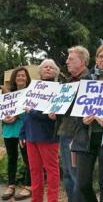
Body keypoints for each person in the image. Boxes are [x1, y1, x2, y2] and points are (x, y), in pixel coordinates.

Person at [70, 44, 103, 202]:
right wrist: (82, 120)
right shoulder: (86, 80)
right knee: (82, 183)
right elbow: (77, 108)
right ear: (96, 58)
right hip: (86, 138)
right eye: (101, 56)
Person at [51, 46, 90, 202]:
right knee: (66, 175)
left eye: (71, 59)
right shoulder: (67, 82)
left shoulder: (89, 80)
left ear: (81, 62)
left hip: (77, 135)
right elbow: (63, 107)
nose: (66, 61)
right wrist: (54, 110)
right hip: (64, 133)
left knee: (76, 177)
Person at [19, 59, 60, 202]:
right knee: (34, 171)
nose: (48, 69)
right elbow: (26, 113)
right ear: (40, 71)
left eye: (51, 67)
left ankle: (52, 199)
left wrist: (33, 112)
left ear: (55, 72)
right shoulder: (32, 88)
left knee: (51, 171)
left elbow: (52, 116)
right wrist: (22, 133)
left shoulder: (58, 90)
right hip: (30, 135)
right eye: (45, 67)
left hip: (48, 136)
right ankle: (36, 199)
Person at [1, 67, 32, 201]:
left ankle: (28, 186)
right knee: (12, 158)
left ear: (27, 78)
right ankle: (11, 185)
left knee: (27, 158)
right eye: (18, 75)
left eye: (23, 75)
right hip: (9, 130)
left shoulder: (32, 92)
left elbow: (33, 110)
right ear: (14, 78)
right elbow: (2, 110)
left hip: (24, 130)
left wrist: (16, 116)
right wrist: (4, 118)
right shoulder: (8, 94)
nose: (20, 78)